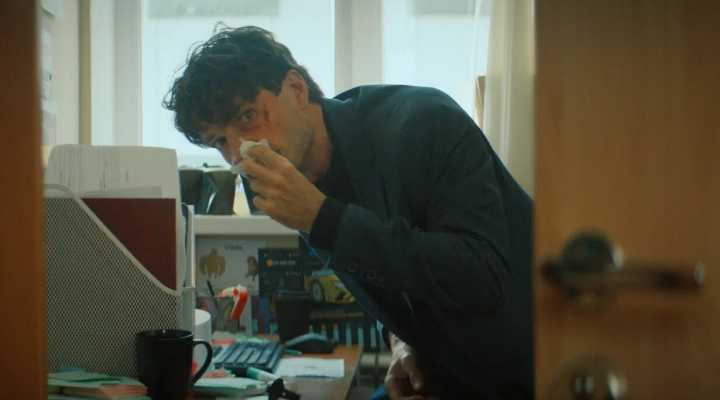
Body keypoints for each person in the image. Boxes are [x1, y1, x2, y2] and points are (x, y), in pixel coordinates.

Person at [164, 25, 533, 399]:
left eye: (247, 117)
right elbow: (387, 274)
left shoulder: (425, 122)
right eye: (220, 141)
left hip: (533, 368)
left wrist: (323, 218)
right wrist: (402, 341)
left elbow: (481, 277)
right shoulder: (290, 176)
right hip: (439, 373)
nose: (239, 154)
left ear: (296, 89)